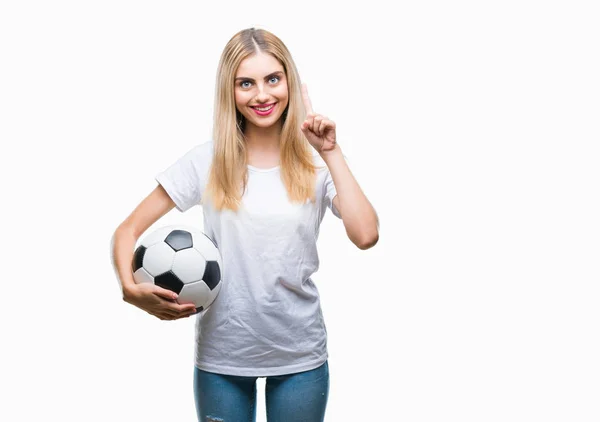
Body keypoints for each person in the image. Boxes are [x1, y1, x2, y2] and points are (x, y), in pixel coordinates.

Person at [111, 27, 379, 422]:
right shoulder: (208, 161)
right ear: (229, 92)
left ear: (289, 80)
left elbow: (366, 235)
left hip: (299, 354)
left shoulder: (316, 164)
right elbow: (127, 231)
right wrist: (129, 289)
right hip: (224, 355)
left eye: (273, 79)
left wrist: (332, 152)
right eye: (245, 83)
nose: (262, 95)